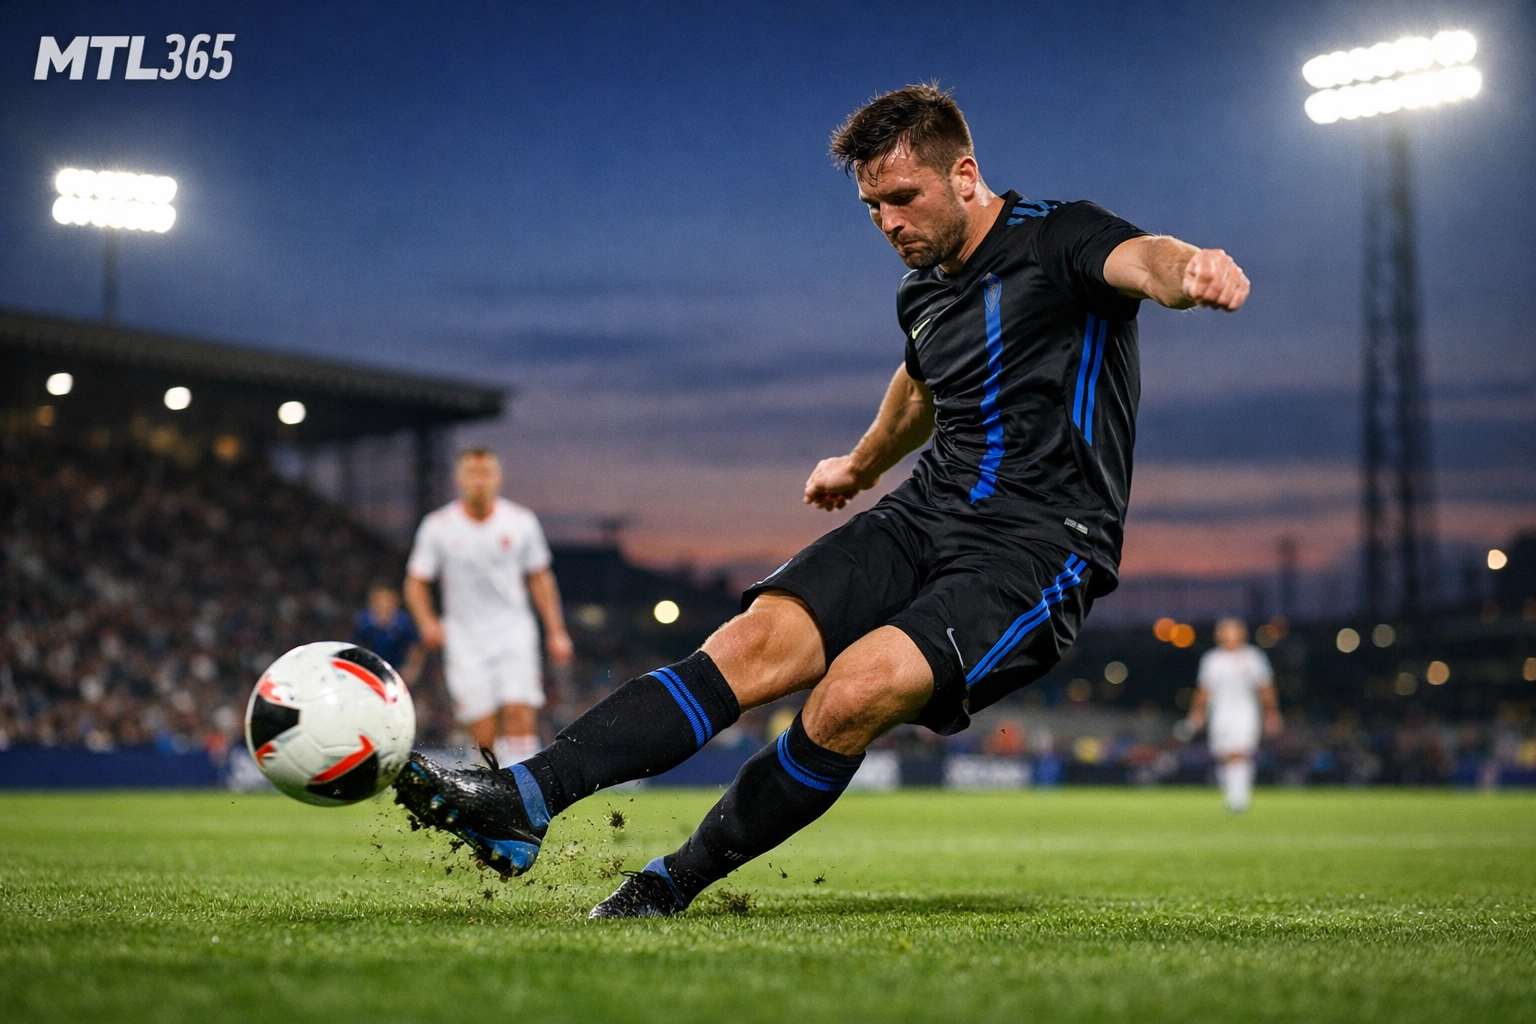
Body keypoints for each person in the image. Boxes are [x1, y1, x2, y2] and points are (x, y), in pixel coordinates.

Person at [394, 83, 1251, 916]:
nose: (888, 222)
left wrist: (1193, 268)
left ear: (964, 174)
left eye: (903, 198)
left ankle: (670, 881)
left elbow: (1145, 260)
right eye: (873, 207)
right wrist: (858, 465)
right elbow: (916, 393)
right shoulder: (922, 291)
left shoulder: (1060, 236)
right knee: (751, 642)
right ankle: (522, 801)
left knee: (852, 693)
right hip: (923, 514)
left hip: (1038, 547)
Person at [403, 448, 574, 767]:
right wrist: (427, 621)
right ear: (459, 479)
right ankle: (490, 790)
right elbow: (416, 581)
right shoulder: (438, 526)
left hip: (514, 632)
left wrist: (556, 631)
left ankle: (524, 793)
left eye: (485, 473)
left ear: (498, 478)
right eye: (471, 473)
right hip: (464, 638)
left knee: (519, 712)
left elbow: (540, 578)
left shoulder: (521, 521)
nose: (478, 481)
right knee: (482, 731)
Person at [1186, 617, 1282, 812]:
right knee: (1223, 755)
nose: (1227, 636)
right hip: (1220, 714)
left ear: (1241, 634)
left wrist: (1272, 713)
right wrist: (1197, 712)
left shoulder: (1253, 657)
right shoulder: (1212, 659)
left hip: (1245, 713)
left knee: (1240, 752)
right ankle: (1231, 794)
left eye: (1231, 631)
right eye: (1223, 632)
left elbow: (1265, 688)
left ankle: (1239, 799)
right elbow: (1204, 690)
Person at [350, 582, 426, 686]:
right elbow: (354, 646)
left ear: (395, 600)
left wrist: (412, 669)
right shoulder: (363, 621)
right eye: (380, 598)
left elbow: (416, 647)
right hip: (370, 672)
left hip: (397, 673)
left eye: (387, 598)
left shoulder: (403, 622)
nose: (384, 602)